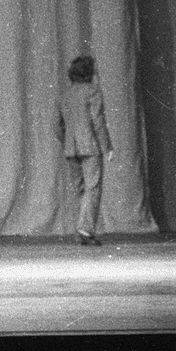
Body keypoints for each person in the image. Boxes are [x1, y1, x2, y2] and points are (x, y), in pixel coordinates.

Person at [55, 53, 113, 245]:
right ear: (89, 73)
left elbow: (57, 125)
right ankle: (85, 229)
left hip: (71, 149)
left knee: (81, 189)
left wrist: (67, 143)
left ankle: (83, 230)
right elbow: (98, 122)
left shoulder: (66, 94)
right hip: (90, 147)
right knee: (92, 188)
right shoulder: (92, 91)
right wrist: (107, 147)